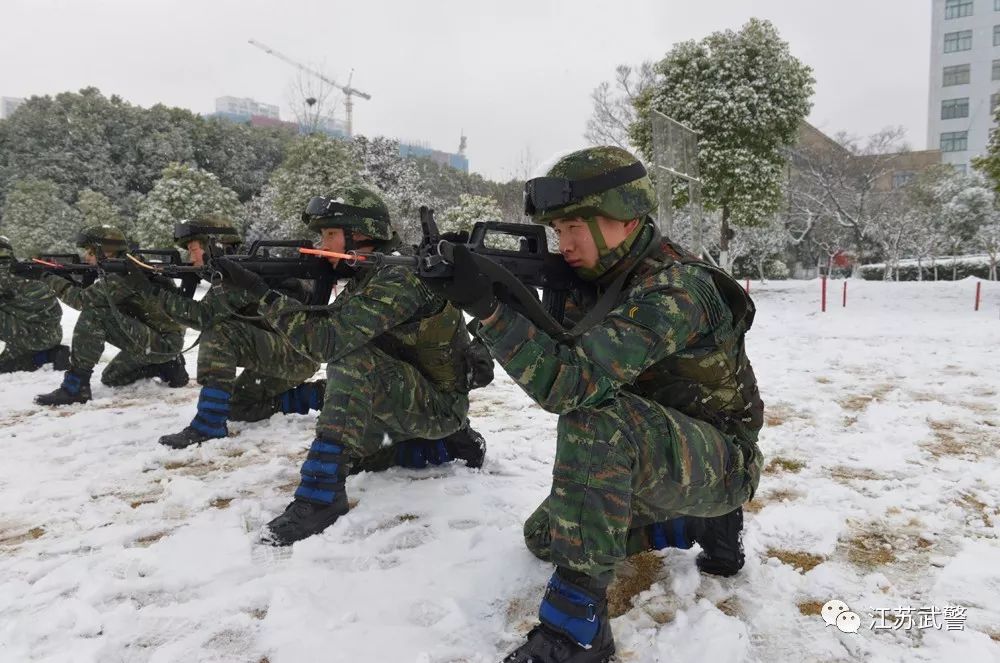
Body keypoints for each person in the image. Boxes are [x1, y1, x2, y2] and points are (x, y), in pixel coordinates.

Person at [427, 146, 764, 663]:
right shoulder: (593, 279)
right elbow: (556, 358)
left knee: (594, 417)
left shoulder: (677, 289)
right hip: (655, 453)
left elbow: (568, 385)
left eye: (573, 227)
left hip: (721, 461)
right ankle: (699, 526)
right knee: (546, 537)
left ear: (624, 217)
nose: (563, 245)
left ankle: (575, 631)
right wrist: (490, 284)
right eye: (557, 231)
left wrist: (490, 310)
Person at [212, 184, 488, 546]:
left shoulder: (398, 276)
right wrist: (285, 287)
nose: (322, 244)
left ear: (360, 235)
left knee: (352, 362)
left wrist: (263, 295)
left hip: (437, 402)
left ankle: (321, 495)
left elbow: (328, 341)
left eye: (329, 234)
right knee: (362, 450)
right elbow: (326, 325)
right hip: (419, 389)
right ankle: (450, 444)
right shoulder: (369, 274)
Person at [124, 213, 327, 449]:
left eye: (193, 249)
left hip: (295, 354)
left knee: (221, 333)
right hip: (292, 355)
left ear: (214, 246)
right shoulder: (237, 271)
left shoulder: (241, 275)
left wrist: (151, 291)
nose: (190, 257)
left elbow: (203, 317)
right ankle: (315, 396)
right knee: (238, 407)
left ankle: (209, 424)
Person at [33, 225, 188, 406]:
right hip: (159, 337)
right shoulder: (132, 265)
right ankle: (167, 366)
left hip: (163, 342)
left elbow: (82, 300)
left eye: (90, 252)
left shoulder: (124, 274)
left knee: (94, 315)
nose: (86, 257)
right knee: (111, 378)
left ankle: (75, 387)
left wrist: (45, 277)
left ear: (105, 252)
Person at [0, 235, 69, 373]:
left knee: (8, 366)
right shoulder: (20, 269)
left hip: (32, 335)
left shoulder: (5, 274)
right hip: (49, 334)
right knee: (7, 364)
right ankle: (48, 355)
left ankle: (41, 355)